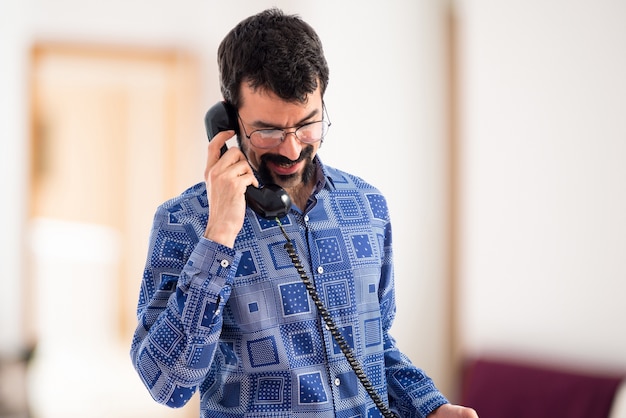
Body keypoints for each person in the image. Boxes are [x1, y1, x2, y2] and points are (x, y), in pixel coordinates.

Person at [130, 8, 478, 418]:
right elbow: (166, 384)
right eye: (269, 131)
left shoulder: (367, 207)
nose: (292, 149)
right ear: (228, 120)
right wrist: (219, 235)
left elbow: (372, 346)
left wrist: (430, 408)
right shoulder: (183, 222)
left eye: (308, 125)